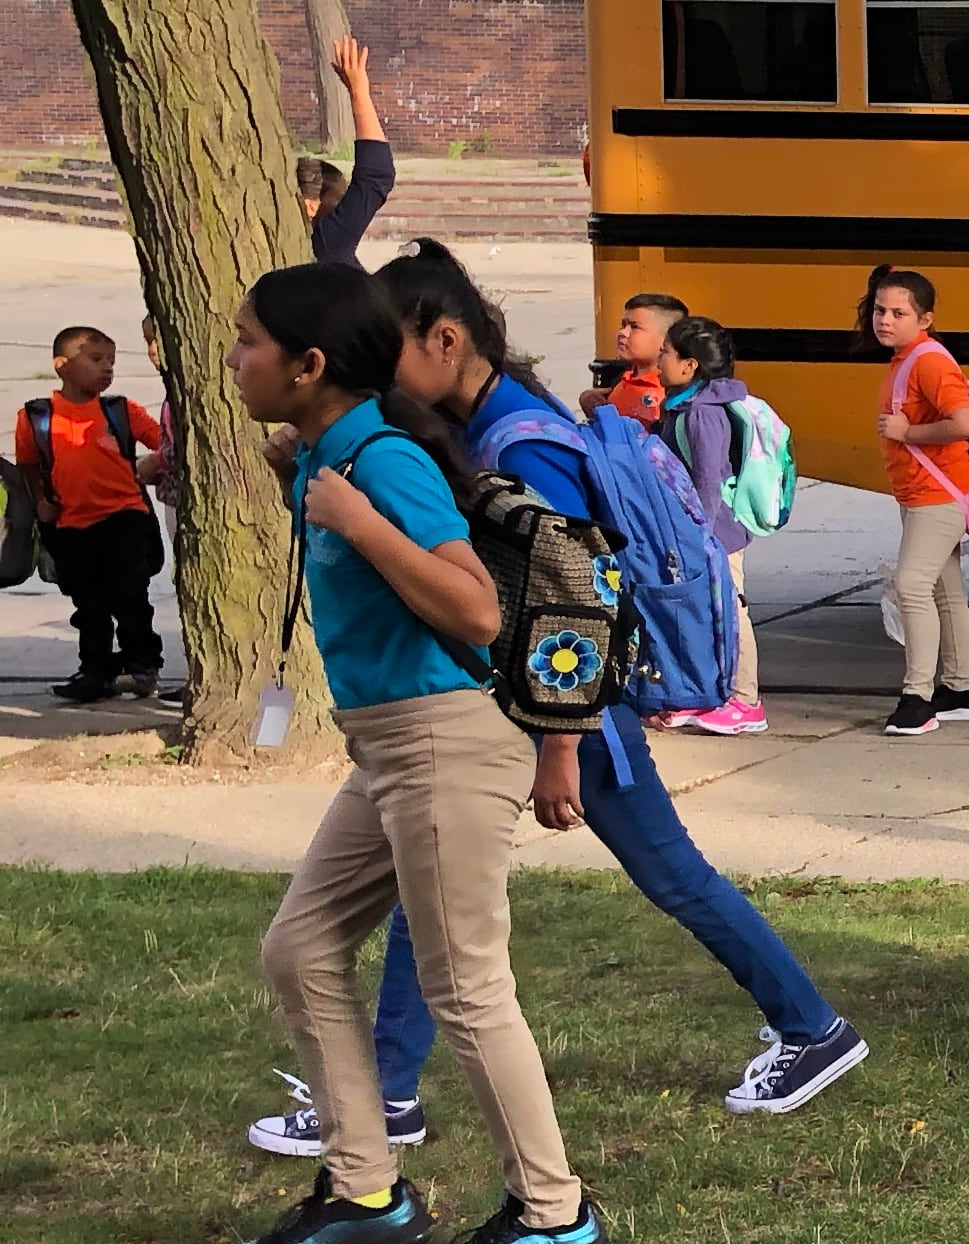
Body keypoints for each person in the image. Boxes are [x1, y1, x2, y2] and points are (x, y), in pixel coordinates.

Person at [248, 245, 867, 1169]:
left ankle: (811, 1026)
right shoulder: (462, 424)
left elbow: (575, 597)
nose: (374, 362)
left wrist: (561, 750)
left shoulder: (520, 440)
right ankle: (388, 1088)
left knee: (670, 876)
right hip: (520, 708)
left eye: (390, 343)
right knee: (439, 898)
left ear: (446, 341)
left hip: (572, 712)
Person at [226, 261, 603, 1244]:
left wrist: (358, 520)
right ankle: (365, 1193)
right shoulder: (327, 452)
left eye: (251, 342)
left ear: (309, 366)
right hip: (388, 745)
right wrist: (301, 479)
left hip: (445, 740)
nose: (235, 358)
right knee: (300, 949)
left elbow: (476, 611)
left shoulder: (380, 464)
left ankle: (555, 1210)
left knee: (466, 987)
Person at [20, 325, 166, 702]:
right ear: (61, 365)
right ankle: (95, 670)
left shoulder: (121, 411)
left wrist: (156, 463)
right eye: (96, 359)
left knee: (131, 594)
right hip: (70, 525)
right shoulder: (36, 417)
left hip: (124, 517)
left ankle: (141, 665)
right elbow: (29, 466)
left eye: (112, 362)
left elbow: (165, 442)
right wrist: (41, 500)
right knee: (88, 604)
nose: (107, 369)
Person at [870, 269, 969, 737]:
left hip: (936, 496)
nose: (885, 320)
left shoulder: (929, 361)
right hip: (922, 493)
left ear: (925, 318)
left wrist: (908, 433)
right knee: (943, 589)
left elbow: (965, 423)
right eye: (880, 310)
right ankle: (959, 689)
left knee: (912, 586)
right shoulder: (907, 358)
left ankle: (918, 698)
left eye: (899, 313)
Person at [650, 314, 771, 735]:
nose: (659, 359)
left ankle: (745, 701)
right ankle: (707, 695)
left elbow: (707, 480)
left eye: (666, 352)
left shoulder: (703, 415)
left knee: (731, 610)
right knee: (704, 612)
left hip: (715, 534)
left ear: (690, 366)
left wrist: (697, 534)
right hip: (698, 532)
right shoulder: (683, 407)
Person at [293, 31, 396, 265]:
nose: (345, 208)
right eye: (338, 200)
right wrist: (359, 91)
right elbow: (376, 176)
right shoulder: (327, 243)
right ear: (311, 206)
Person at [585, 291, 685, 428]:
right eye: (623, 325)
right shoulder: (623, 379)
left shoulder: (668, 392)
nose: (622, 333)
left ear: (666, 340)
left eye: (635, 327)